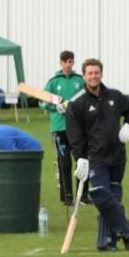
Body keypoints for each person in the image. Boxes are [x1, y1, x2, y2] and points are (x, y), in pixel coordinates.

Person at [66, 58, 129, 252]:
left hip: (118, 156)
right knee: (100, 194)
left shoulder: (114, 96)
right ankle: (126, 230)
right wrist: (79, 156)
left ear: (101, 74)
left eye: (96, 72)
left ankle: (106, 241)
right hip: (95, 158)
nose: (93, 76)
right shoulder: (77, 103)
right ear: (83, 75)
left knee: (114, 197)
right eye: (89, 73)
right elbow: (74, 134)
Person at [0, 118, 43, 230]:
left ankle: (31, 208)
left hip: (29, 159)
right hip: (18, 160)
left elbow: (12, 162)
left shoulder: (1, 136)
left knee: (9, 189)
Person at [42, 50, 86, 206]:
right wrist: (56, 107)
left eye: (71, 61)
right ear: (61, 63)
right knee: (64, 162)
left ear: (73, 63)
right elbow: (43, 102)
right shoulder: (54, 82)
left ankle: (84, 195)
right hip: (59, 128)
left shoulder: (79, 81)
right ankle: (67, 195)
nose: (68, 64)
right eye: (65, 61)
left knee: (82, 161)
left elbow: (88, 98)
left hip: (79, 128)